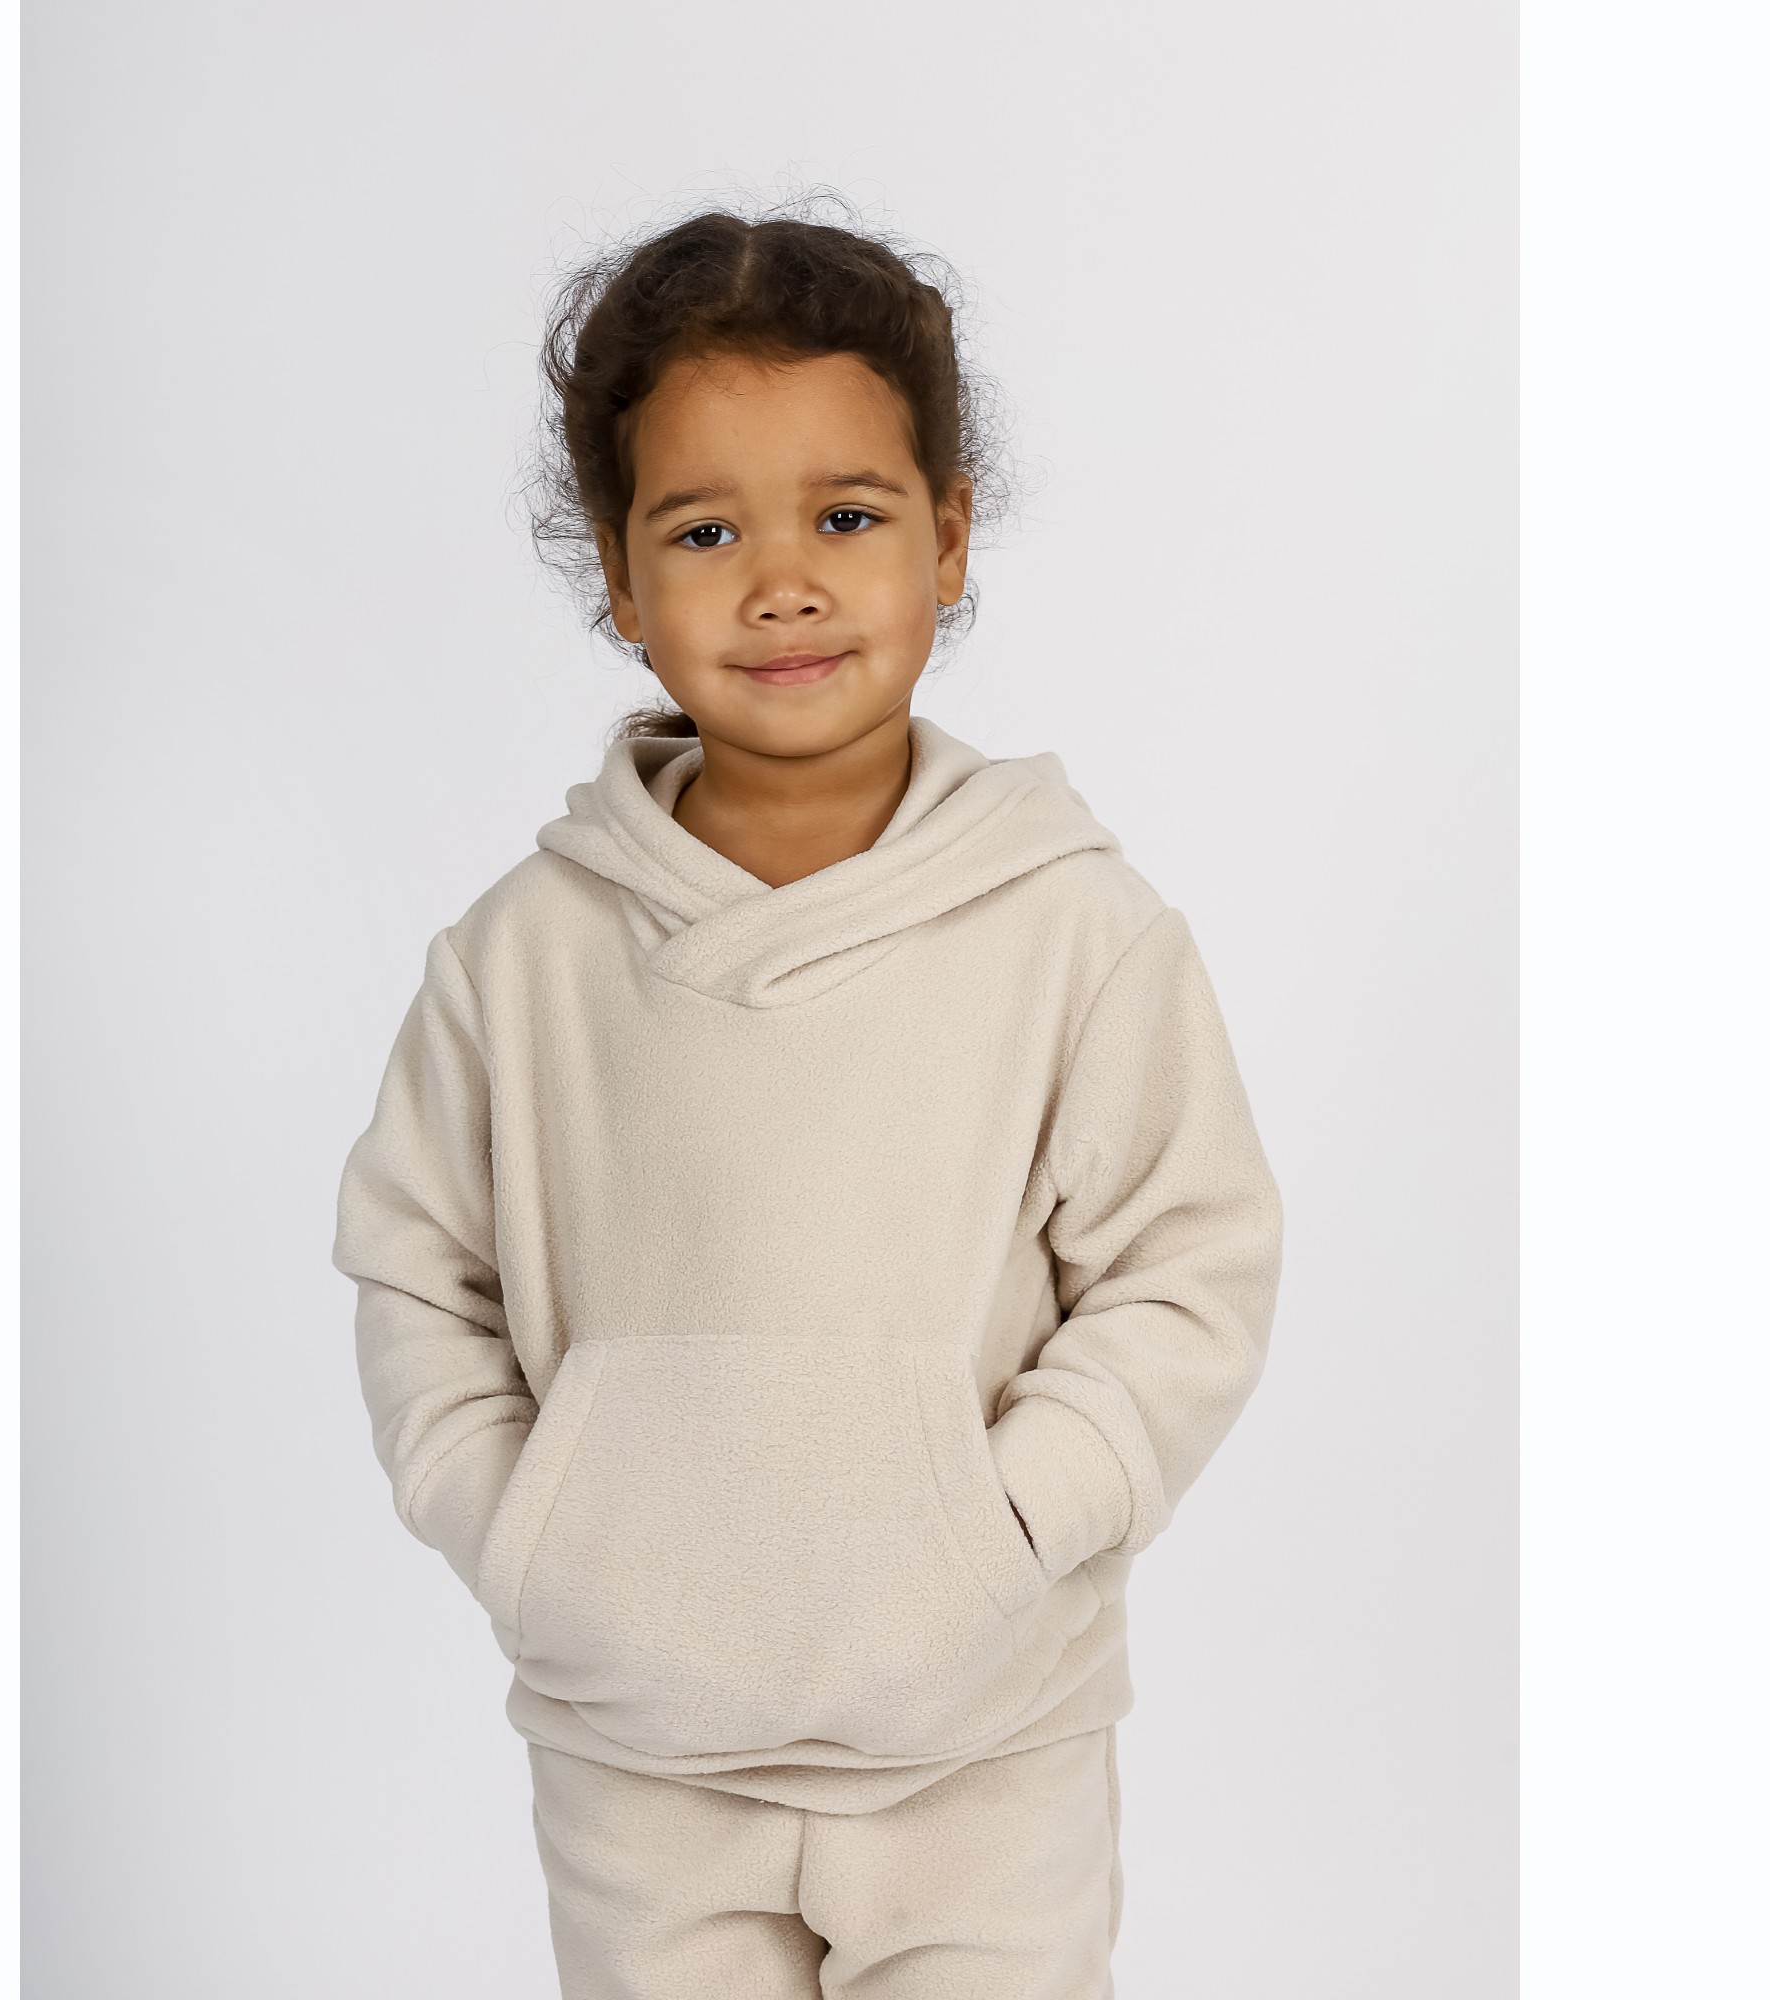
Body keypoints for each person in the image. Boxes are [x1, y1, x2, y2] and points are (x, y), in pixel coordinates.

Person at [332, 204, 1284, 1999]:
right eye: (705, 532)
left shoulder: (1076, 928)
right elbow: (415, 1271)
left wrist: (1009, 1525)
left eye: (846, 517)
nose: (782, 584)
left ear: (949, 537)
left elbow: (1189, 1266)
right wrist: (531, 1540)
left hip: (984, 1739)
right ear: (621, 581)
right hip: (639, 1755)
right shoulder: (519, 956)